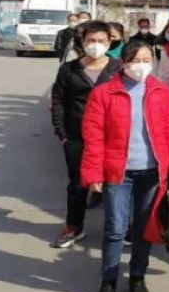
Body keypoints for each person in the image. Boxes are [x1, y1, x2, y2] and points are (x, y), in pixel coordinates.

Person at [81, 40, 169, 292]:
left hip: (152, 173)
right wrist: (93, 173)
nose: (141, 66)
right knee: (115, 229)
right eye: (135, 61)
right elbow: (94, 137)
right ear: (123, 63)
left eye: (146, 60)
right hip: (117, 173)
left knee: (144, 229)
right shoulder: (104, 93)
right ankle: (108, 280)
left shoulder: (162, 91)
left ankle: (137, 277)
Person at [50, 20, 122, 249]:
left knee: (117, 184)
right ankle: (74, 226)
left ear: (110, 42)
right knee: (77, 185)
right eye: (91, 40)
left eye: (101, 40)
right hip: (77, 137)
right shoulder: (68, 69)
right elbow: (58, 101)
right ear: (82, 41)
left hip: (113, 138)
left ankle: (120, 229)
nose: (95, 45)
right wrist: (62, 134)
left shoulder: (120, 68)